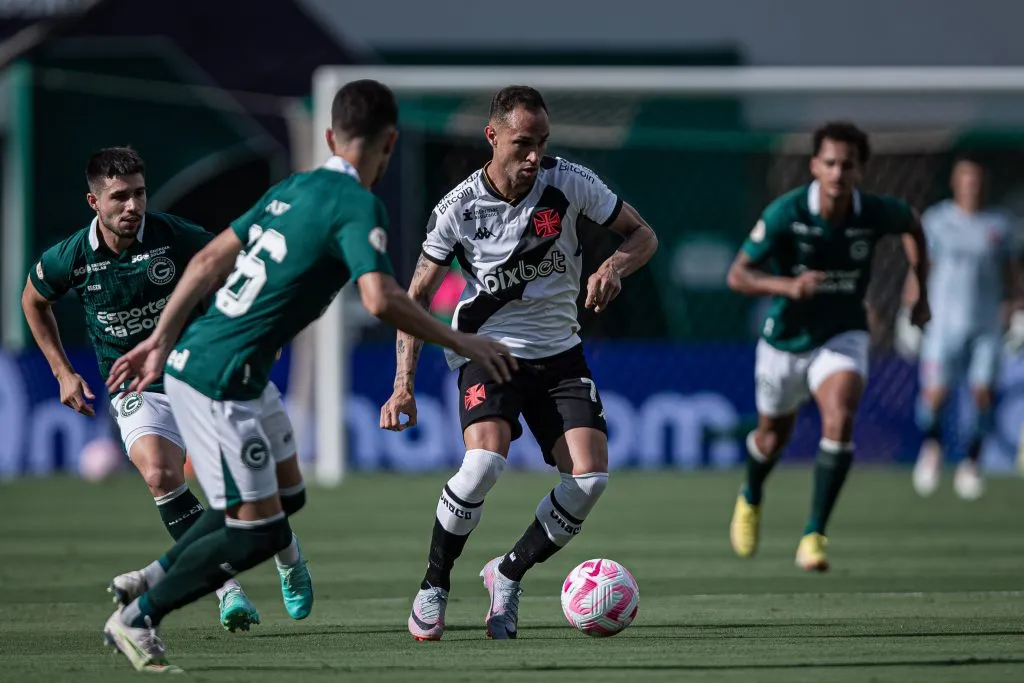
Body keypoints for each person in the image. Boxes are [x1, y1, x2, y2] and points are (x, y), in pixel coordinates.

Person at [99, 79, 515, 673]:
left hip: (227, 369)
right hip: (220, 381)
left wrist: (160, 340)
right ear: (390, 143)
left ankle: (149, 576)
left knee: (287, 495)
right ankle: (140, 616)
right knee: (258, 533)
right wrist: (461, 339)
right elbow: (379, 299)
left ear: (329, 137)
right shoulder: (358, 205)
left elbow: (210, 259)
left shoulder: (293, 187)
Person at [379, 85, 658, 641]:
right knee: (484, 463)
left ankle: (506, 575)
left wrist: (612, 268)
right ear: (492, 136)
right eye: (523, 143)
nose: (535, 156)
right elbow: (415, 299)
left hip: (560, 354)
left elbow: (642, 235)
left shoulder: (570, 183)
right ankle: (434, 585)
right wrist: (402, 384)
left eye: (542, 143)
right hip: (488, 350)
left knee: (590, 479)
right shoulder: (458, 208)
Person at [20, 147, 308, 633]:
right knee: (159, 473)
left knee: (248, 487)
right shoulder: (71, 257)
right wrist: (62, 372)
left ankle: (289, 557)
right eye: (119, 197)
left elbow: (237, 269)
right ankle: (225, 588)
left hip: (200, 373)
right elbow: (33, 299)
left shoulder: (175, 236)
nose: (132, 206)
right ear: (94, 202)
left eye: (139, 194)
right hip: (136, 385)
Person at [726, 121, 930, 572]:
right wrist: (788, 286)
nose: (839, 173)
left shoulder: (872, 211)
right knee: (771, 438)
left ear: (860, 170)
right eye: (831, 163)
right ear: (815, 166)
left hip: (843, 333)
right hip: (785, 339)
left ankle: (814, 534)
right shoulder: (787, 212)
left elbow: (913, 225)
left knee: (840, 417)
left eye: (847, 165)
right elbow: (737, 275)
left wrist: (921, 291)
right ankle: (751, 494)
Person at [909, 156, 1021, 500]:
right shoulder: (937, 221)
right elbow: (921, 267)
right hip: (943, 325)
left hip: (986, 326)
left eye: (977, 180)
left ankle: (972, 461)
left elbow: (1012, 274)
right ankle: (932, 448)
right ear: (955, 183)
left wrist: (1017, 308)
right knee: (935, 395)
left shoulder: (999, 225)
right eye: (966, 179)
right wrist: (909, 308)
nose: (971, 186)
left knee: (982, 394)